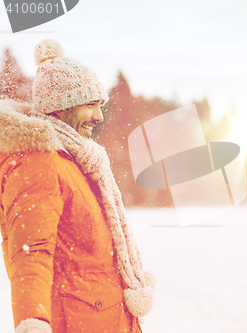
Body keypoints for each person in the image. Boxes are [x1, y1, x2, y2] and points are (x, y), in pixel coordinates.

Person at [0, 39, 155, 333]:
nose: (98, 116)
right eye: (90, 105)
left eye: (100, 105)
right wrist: (33, 323)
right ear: (60, 107)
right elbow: (30, 252)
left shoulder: (78, 162)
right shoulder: (39, 163)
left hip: (106, 320)